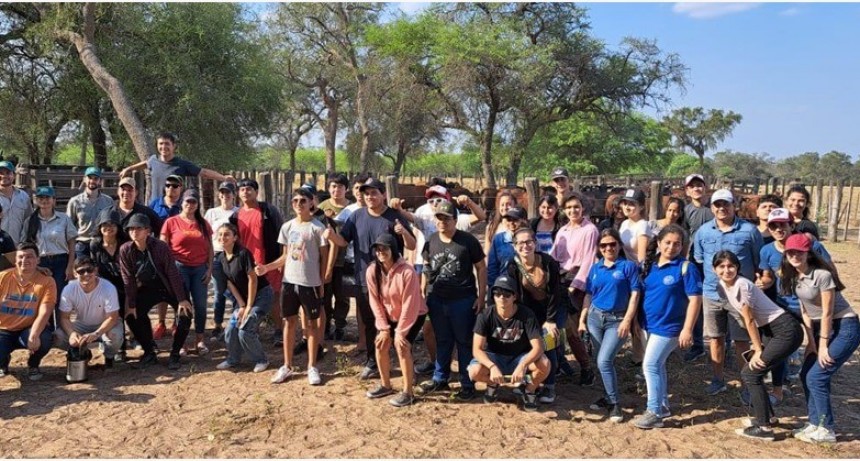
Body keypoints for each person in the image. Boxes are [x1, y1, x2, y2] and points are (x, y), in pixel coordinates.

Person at [326, 178, 416, 380]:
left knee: (394, 321)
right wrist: (331, 236)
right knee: (368, 322)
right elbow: (343, 241)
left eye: (374, 193)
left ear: (383, 194)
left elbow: (411, 245)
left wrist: (403, 233)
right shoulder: (356, 216)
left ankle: (401, 359)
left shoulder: (394, 217)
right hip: (364, 279)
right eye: (366, 193)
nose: (370, 197)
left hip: (392, 282)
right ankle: (372, 361)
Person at [713, 250, 803, 441]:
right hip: (771, 331)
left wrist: (758, 348)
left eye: (731, 266)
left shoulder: (742, 285)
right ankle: (767, 418)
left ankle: (764, 428)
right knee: (754, 372)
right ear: (714, 269)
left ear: (738, 268)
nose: (727, 270)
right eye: (722, 266)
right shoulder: (722, 285)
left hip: (785, 330)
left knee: (750, 373)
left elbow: (750, 319)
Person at [780, 233, 860, 444]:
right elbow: (805, 313)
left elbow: (827, 312)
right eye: (790, 251)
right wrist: (812, 344)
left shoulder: (822, 275)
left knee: (817, 376)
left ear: (808, 253)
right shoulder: (795, 276)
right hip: (820, 330)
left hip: (844, 327)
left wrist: (823, 346)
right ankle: (815, 424)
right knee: (807, 372)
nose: (794, 255)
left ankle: (827, 429)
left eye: (799, 251)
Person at [693, 188, 762, 397]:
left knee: (741, 340)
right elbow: (699, 259)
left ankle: (746, 382)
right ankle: (718, 379)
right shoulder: (703, 232)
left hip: (739, 297)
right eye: (717, 205)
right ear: (711, 207)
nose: (721, 208)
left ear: (734, 206)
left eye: (726, 204)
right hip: (712, 294)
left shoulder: (749, 231)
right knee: (715, 338)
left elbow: (758, 261)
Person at [633, 224, 702, 429]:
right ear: (659, 243)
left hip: (670, 327)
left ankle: (653, 410)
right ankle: (662, 405)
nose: (672, 247)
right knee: (658, 365)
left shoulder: (686, 268)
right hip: (649, 324)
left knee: (650, 365)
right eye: (668, 243)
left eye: (677, 244)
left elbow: (695, 300)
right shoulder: (649, 265)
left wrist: (688, 328)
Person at [417, 200, 486, 400]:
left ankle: (467, 382)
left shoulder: (467, 241)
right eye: (439, 218)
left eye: (447, 219)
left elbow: (481, 268)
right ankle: (440, 378)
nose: (442, 222)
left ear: (455, 220)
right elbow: (427, 267)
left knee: (464, 341)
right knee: (443, 339)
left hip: (463, 300)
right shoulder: (431, 240)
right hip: (437, 299)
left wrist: (481, 297)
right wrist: (423, 291)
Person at [259, 187, 328, 386]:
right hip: (289, 281)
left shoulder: (317, 228)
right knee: (289, 322)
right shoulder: (287, 227)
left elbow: (323, 257)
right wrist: (267, 267)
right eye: (295, 201)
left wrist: (322, 281)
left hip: (310, 283)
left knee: (311, 325)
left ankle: (312, 366)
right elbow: (285, 256)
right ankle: (287, 365)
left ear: (311, 203)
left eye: (303, 201)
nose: (299, 204)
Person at [758, 208, 831, 383]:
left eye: (782, 224)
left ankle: (813, 379)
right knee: (781, 345)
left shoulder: (811, 245)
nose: (778, 229)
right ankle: (781, 382)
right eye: (773, 226)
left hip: (813, 305)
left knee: (816, 346)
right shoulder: (767, 250)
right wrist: (763, 283)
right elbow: (768, 277)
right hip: (784, 305)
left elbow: (829, 271)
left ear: (791, 225)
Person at [579, 228, 641, 423]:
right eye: (603, 245)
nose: (608, 248)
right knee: (601, 360)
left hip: (617, 320)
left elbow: (635, 295)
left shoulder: (628, 267)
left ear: (619, 245)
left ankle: (615, 403)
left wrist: (628, 320)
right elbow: (589, 294)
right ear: (599, 248)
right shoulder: (596, 268)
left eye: (612, 244)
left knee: (604, 361)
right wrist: (582, 318)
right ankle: (607, 396)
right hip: (595, 317)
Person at [119, 214, 192, 370]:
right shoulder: (126, 250)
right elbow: (128, 279)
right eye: (131, 228)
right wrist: (131, 304)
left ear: (148, 231)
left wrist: (181, 299)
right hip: (147, 289)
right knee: (132, 315)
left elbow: (172, 272)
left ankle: (175, 353)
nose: (134, 232)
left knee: (185, 314)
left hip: (169, 287)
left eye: (138, 228)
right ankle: (149, 351)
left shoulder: (160, 246)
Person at [468, 274, 550, 412]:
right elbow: (477, 349)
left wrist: (523, 365)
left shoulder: (527, 315)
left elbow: (538, 347)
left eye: (506, 294)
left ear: (514, 297)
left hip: (519, 356)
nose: (501, 297)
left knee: (545, 363)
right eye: (497, 293)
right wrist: (492, 366)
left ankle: (529, 390)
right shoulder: (485, 315)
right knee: (474, 371)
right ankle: (492, 384)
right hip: (494, 356)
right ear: (493, 295)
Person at [503, 226, 566, 404]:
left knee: (549, 343)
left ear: (535, 243)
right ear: (515, 246)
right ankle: (530, 380)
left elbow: (555, 292)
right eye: (521, 243)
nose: (525, 246)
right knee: (527, 345)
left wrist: (551, 320)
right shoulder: (513, 265)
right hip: (527, 312)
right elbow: (513, 293)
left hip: (550, 309)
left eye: (529, 241)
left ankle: (550, 386)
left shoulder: (548, 263)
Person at [364, 234, 428, 407]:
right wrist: (384, 328)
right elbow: (374, 300)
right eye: (377, 249)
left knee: (402, 346)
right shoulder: (372, 270)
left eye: (384, 248)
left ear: (394, 249)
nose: (380, 252)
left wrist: (400, 332)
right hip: (388, 314)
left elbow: (410, 303)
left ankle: (408, 392)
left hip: (413, 313)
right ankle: (386, 384)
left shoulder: (407, 271)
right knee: (380, 343)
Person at [549, 191, 598, 386]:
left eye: (576, 207)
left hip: (576, 280)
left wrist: (576, 286)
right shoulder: (563, 231)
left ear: (583, 208)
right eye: (569, 208)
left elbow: (588, 260)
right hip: (559, 279)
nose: (572, 211)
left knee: (571, 328)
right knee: (555, 325)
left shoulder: (590, 230)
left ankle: (586, 367)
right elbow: (553, 256)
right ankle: (560, 363)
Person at [229, 178, 285, 347]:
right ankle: (253, 329)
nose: (245, 192)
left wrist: (281, 261)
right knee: (248, 299)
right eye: (242, 189)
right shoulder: (235, 215)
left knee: (274, 298)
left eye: (249, 189)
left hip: (267, 262)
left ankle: (279, 330)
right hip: (245, 264)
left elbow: (282, 236)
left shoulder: (268, 210)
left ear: (256, 191)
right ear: (238, 194)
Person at [214, 223, 272, 373]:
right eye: (220, 234)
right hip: (243, 300)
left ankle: (261, 360)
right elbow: (229, 284)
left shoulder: (243, 253)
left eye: (227, 234)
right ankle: (233, 359)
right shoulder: (220, 258)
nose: (223, 237)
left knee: (245, 329)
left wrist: (249, 307)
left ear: (235, 237)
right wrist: (241, 306)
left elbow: (253, 279)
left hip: (260, 295)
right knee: (231, 330)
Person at [161, 188, 213, 355]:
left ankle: (200, 340)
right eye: (187, 201)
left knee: (201, 305)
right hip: (179, 267)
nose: (190, 205)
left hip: (199, 268)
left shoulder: (203, 224)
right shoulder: (171, 222)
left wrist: (210, 268)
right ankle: (181, 342)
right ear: (181, 203)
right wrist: (168, 269)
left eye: (193, 202)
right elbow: (163, 247)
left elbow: (210, 247)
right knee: (182, 305)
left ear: (198, 205)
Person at [119, 131, 234, 202]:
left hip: (174, 208)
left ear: (174, 146)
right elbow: (145, 163)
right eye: (161, 144)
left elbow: (204, 172)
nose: (164, 147)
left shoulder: (182, 164)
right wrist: (129, 168)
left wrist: (223, 178)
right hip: (154, 207)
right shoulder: (153, 160)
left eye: (167, 144)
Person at [0, 242, 57, 380]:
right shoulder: (3, 277)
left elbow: (45, 311)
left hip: (28, 328)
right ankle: (3, 362)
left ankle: (33, 364)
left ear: (38, 259)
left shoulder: (47, 281)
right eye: (21, 257)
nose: (24, 260)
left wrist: (34, 335)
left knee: (43, 338)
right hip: (3, 329)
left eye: (30, 257)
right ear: (15, 259)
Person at [55, 257, 124, 368]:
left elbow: (112, 317)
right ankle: (83, 352)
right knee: (58, 337)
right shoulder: (69, 289)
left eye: (89, 270)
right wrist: (72, 334)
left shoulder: (108, 288)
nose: (86, 274)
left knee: (114, 336)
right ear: (75, 273)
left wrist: (96, 333)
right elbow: (64, 317)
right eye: (81, 271)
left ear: (95, 270)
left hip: (105, 323)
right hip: (82, 324)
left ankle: (109, 356)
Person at [21, 186, 77, 315]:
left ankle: (59, 329)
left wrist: (70, 266)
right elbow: (25, 245)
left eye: (47, 197)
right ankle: (44, 328)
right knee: (40, 296)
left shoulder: (63, 219)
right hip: (39, 263)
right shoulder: (30, 221)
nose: (44, 200)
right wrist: (36, 267)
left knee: (59, 295)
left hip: (60, 261)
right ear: (36, 200)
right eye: (41, 198)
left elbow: (72, 242)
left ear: (54, 200)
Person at [89, 209, 129, 361]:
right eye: (105, 224)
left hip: (124, 284)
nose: (109, 227)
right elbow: (94, 267)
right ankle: (111, 345)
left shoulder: (125, 244)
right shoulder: (95, 244)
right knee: (108, 315)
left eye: (112, 224)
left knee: (125, 315)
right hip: (105, 286)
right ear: (99, 227)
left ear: (118, 227)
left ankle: (123, 346)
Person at [683, 173, 713, 363]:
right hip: (693, 260)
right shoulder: (685, 212)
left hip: (712, 261)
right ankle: (697, 344)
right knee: (694, 302)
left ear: (705, 187)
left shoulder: (714, 209)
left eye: (699, 185)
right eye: (692, 186)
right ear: (687, 190)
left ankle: (724, 345)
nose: (696, 189)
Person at [318, 173, 352, 341]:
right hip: (324, 259)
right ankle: (325, 326)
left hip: (345, 259)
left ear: (346, 189)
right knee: (325, 294)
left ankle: (340, 326)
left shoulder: (352, 209)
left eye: (340, 186)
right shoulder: (321, 207)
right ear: (328, 188)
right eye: (333, 186)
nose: (336, 190)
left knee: (342, 295)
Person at [204, 182, 239, 342]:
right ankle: (218, 325)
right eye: (223, 192)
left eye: (228, 192)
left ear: (234, 194)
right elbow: (205, 235)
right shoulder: (211, 213)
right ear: (219, 195)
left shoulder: (238, 212)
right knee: (219, 291)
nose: (225, 195)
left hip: (234, 255)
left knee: (236, 290)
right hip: (217, 255)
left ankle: (236, 322)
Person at [67, 167, 115, 260]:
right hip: (82, 244)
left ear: (100, 181)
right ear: (84, 179)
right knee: (83, 273)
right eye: (90, 178)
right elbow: (69, 227)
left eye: (96, 178)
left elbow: (112, 223)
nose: (92, 181)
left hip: (102, 243)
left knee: (102, 273)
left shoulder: (108, 201)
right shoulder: (75, 201)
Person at [487, 206, 527, 287]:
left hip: (526, 286)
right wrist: (493, 287)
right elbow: (492, 266)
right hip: (505, 286)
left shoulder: (531, 239)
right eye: (509, 220)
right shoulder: (498, 239)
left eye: (515, 220)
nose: (511, 223)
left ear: (524, 220)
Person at [0, 160, 31, 245]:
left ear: (13, 175)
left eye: (8, 173)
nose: (4, 176)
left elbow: (28, 222)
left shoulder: (23, 196)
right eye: (1, 173)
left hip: (18, 247)